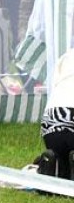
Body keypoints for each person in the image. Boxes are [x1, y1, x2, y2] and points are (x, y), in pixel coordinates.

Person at [37, 49, 74, 181]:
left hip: (50, 119)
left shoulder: (65, 57)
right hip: (71, 117)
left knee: (62, 161)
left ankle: (52, 163)